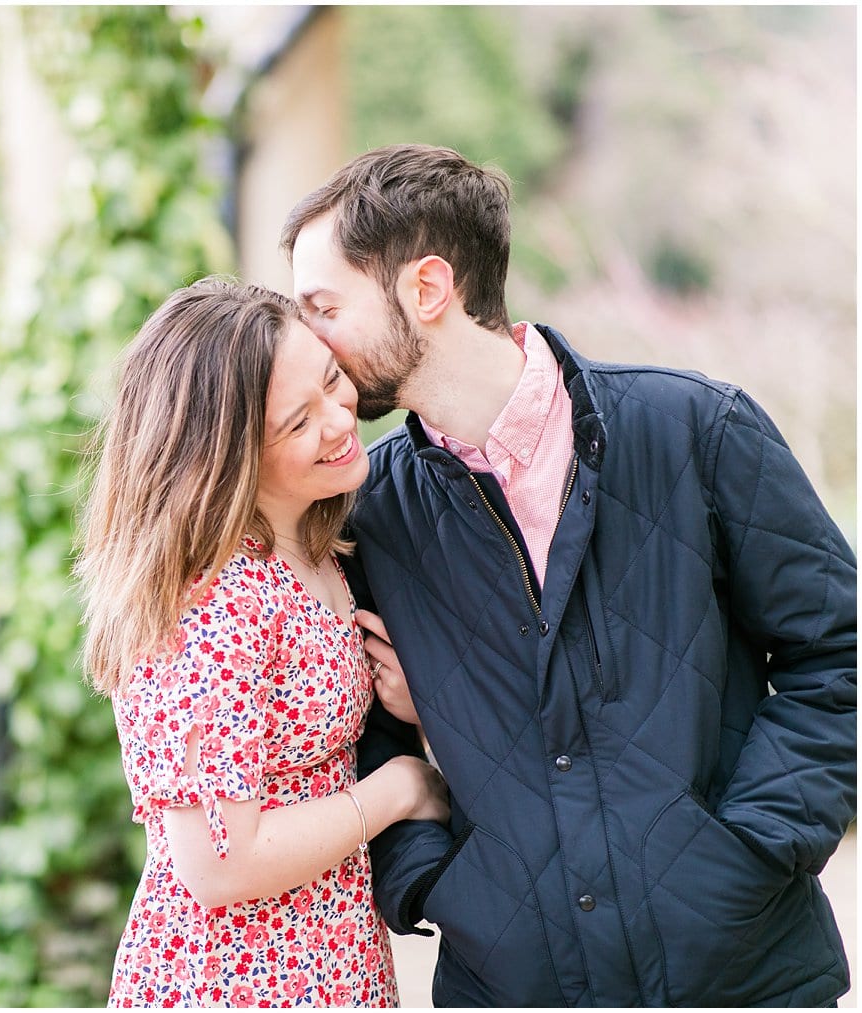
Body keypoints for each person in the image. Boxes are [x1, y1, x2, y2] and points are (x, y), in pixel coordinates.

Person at [280, 143, 857, 1007]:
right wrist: (438, 882)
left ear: (427, 290)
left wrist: (748, 849)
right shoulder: (365, 515)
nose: (305, 339)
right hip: (513, 984)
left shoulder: (696, 430)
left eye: (323, 306)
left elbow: (836, 652)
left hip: (743, 974)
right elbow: (352, 729)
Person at [75, 277, 450, 1007]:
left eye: (332, 380)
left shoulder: (317, 546)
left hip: (326, 962)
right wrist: (402, 786)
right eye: (296, 423)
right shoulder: (211, 599)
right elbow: (219, 863)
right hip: (236, 979)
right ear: (225, 455)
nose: (339, 420)